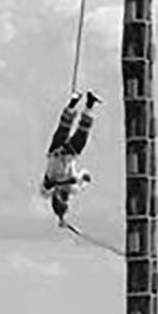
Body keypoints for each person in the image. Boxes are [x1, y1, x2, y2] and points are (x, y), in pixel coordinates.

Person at [41, 90, 101, 226]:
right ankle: (89, 104)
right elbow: (83, 178)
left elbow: (47, 186)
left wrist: (60, 216)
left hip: (55, 152)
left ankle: (73, 103)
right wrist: (85, 178)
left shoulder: (47, 191)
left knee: (64, 127)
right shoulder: (72, 189)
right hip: (70, 154)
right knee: (83, 133)